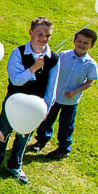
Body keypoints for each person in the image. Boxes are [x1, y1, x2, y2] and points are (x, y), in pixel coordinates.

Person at [0, 17, 59, 185]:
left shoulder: (53, 58)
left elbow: (52, 87)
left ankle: (15, 164)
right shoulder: (19, 52)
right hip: (14, 100)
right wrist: (33, 68)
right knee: (4, 129)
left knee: (24, 134)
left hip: (35, 104)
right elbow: (16, 80)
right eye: (40, 34)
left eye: (48, 35)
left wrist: (45, 108)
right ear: (31, 32)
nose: (43, 38)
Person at [33, 28, 97, 159]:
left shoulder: (90, 65)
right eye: (79, 41)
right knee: (47, 120)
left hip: (70, 100)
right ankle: (41, 140)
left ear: (92, 46)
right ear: (74, 41)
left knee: (66, 125)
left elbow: (90, 81)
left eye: (86, 43)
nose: (82, 45)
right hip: (55, 97)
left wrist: (75, 91)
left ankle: (64, 148)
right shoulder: (63, 55)